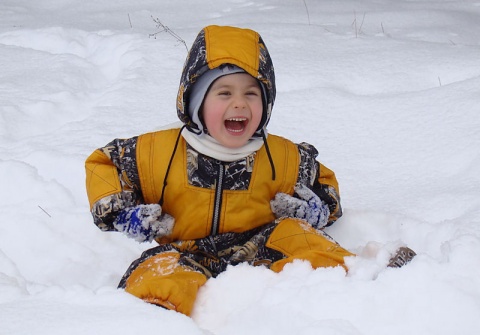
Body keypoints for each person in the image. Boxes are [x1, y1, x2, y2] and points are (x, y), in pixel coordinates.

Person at [85, 25, 415, 316]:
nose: (239, 104)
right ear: (195, 102)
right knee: (158, 274)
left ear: (266, 104)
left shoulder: (281, 156)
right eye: (224, 93)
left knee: (303, 240)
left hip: (261, 243)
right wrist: (122, 213)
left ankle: (365, 280)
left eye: (251, 93)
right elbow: (105, 164)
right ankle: (151, 320)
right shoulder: (158, 152)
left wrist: (316, 210)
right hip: (185, 250)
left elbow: (323, 183)